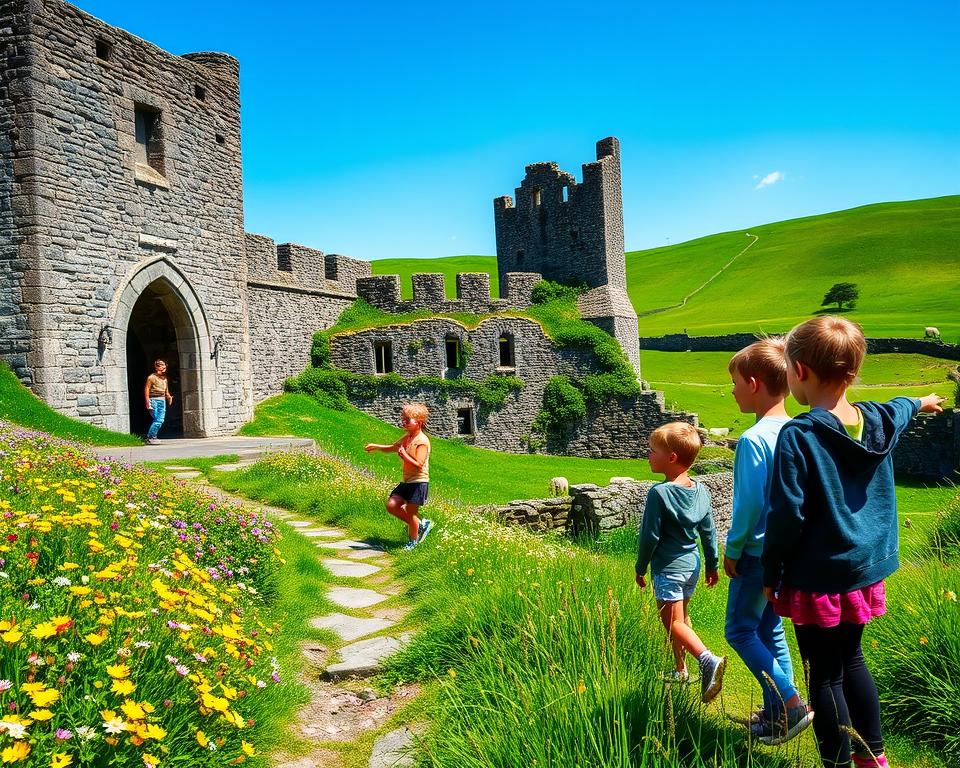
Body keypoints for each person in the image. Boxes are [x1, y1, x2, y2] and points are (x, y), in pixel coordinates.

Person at [762, 316, 944, 768]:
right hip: (865, 570)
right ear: (852, 371)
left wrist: (771, 573)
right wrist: (922, 400)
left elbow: (786, 515)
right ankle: (874, 759)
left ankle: (838, 764)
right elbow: (900, 406)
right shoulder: (878, 419)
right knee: (853, 660)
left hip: (817, 577)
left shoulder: (799, 435)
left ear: (799, 371)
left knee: (824, 677)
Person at [724, 338, 813, 744]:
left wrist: (732, 550)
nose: (732, 389)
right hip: (790, 552)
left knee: (740, 630)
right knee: (769, 625)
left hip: (757, 552)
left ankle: (792, 704)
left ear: (755, 383)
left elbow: (747, 506)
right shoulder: (801, 432)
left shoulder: (754, 439)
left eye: (736, 381)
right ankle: (778, 714)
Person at [635, 421, 726, 704]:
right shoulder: (701, 491)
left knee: (672, 624)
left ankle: (707, 660)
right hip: (692, 566)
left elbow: (649, 536)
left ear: (671, 457)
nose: (647, 455)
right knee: (681, 620)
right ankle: (680, 669)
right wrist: (713, 565)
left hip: (669, 568)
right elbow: (708, 533)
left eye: (652, 450)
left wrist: (641, 567)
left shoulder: (659, 494)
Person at [364, 402, 434, 550]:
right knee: (392, 505)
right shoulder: (408, 437)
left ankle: (413, 542)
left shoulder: (422, 441)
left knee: (411, 512)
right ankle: (421, 525)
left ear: (419, 422)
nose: (405, 423)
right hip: (408, 481)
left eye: (408, 420)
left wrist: (404, 455)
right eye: (404, 419)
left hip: (419, 482)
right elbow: (393, 447)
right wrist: (376, 446)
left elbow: (419, 464)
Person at [144, 359, 173, 445]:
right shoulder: (151, 377)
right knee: (157, 419)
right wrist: (147, 402)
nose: (164, 367)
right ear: (156, 367)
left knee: (160, 419)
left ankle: (152, 436)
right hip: (154, 399)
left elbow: (166, 390)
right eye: (161, 365)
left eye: (164, 365)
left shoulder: (164, 379)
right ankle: (150, 437)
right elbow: (147, 389)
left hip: (162, 400)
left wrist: (168, 397)